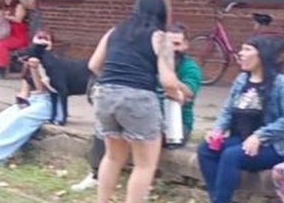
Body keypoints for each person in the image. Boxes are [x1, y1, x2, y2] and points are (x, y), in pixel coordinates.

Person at [88, 0, 183, 203]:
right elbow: (168, 81)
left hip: (105, 94)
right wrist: (179, 94)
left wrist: (113, 82)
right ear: (162, 12)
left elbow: (93, 64)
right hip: (138, 97)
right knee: (144, 164)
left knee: (112, 156)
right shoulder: (160, 38)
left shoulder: (114, 31)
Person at [189, 35, 284, 203]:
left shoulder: (281, 83)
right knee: (206, 149)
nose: (241, 54)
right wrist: (217, 129)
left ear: (262, 55)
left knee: (231, 155)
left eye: (247, 49)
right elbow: (228, 109)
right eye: (241, 49)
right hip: (241, 140)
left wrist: (260, 135)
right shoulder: (242, 80)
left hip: (272, 147)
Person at [73, 23, 202, 192]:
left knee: (144, 136)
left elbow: (189, 94)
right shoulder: (149, 62)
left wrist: (168, 77)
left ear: (186, 45)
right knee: (105, 130)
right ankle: (96, 175)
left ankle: (144, 184)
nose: (172, 48)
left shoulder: (190, 67)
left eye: (177, 44)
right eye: (168, 43)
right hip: (142, 115)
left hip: (176, 126)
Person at [0, 52, 54, 168]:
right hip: (32, 99)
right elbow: (25, 88)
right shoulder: (28, 65)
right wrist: (22, 99)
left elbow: (41, 89)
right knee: (4, 116)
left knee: (21, 119)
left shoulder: (51, 65)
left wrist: (35, 68)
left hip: (47, 102)